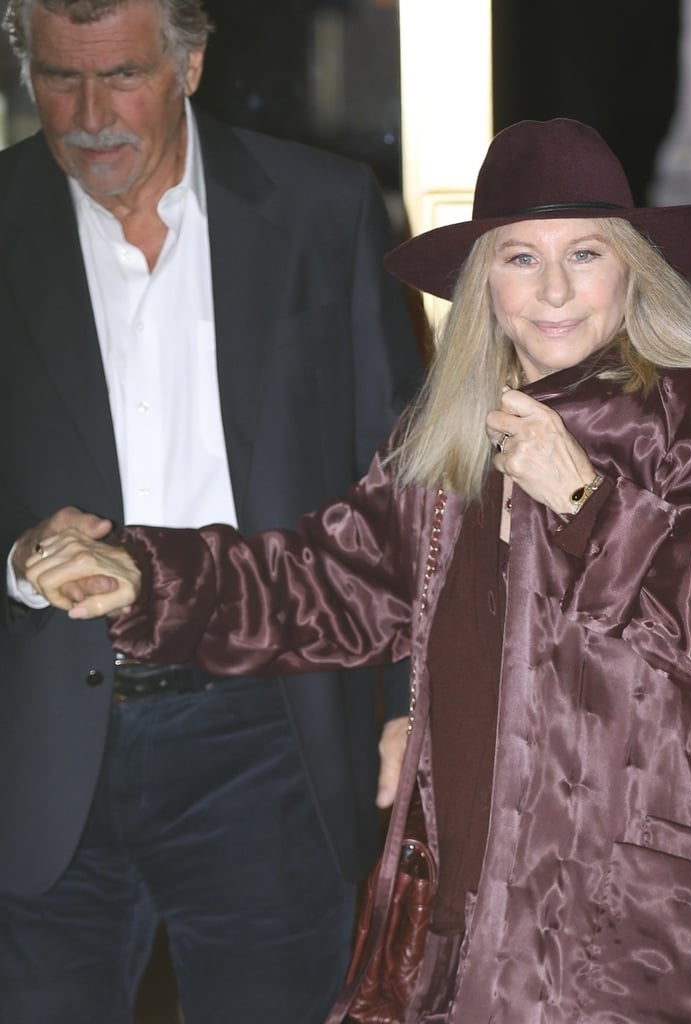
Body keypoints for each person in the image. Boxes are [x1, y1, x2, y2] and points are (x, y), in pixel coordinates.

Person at [28, 118, 691, 1023]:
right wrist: (148, 575)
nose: (556, 288)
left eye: (585, 253)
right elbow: (322, 583)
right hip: (470, 911)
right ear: (482, 282)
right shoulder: (448, 442)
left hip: (646, 934)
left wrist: (587, 502)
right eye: (520, 259)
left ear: (633, 269)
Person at [0, 1, 421, 1022]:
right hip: (39, 739)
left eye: (123, 77)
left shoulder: (325, 209)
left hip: (268, 728)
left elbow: (408, 477)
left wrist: (415, 700)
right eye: (59, 79)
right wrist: (17, 559)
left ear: (188, 66)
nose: (90, 114)